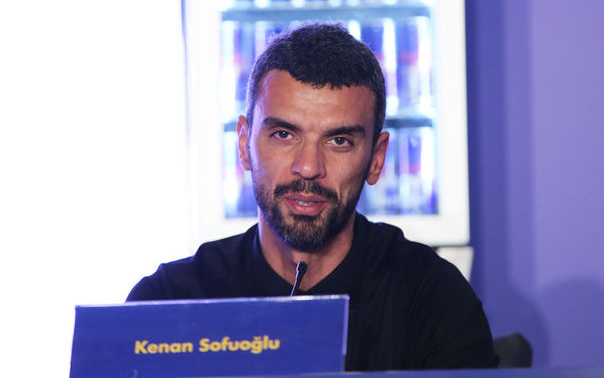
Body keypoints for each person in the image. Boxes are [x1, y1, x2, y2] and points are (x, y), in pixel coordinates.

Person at [127, 22, 498, 371]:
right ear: (243, 144)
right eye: (284, 135)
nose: (308, 167)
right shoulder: (169, 302)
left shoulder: (432, 298)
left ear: (376, 159)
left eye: (339, 141)